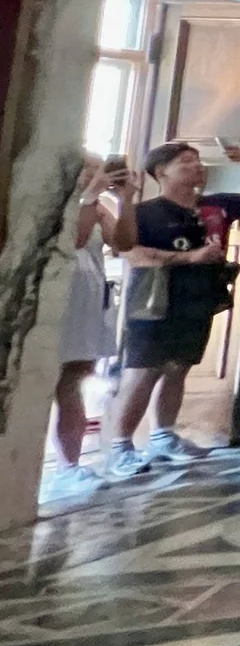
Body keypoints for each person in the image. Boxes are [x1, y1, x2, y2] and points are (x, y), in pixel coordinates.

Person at [110, 137, 240, 478]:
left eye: (197, 160)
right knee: (143, 373)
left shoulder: (215, 206)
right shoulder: (145, 212)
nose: (196, 166)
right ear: (162, 172)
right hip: (155, 302)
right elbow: (131, 253)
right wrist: (189, 257)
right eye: (185, 162)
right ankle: (120, 447)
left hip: (199, 298)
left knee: (178, 368)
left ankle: (163, 435)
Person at [46, 153, 132, 500]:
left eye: (100, 169)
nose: (95, 174)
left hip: (86, 301)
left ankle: (68, 466)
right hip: (55, 298)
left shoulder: (97, 207)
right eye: (89, 169)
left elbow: (124, 243)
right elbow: (75, 240)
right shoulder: (57, 202)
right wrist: (89, 196)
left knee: (73, 381)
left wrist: (126, 200)